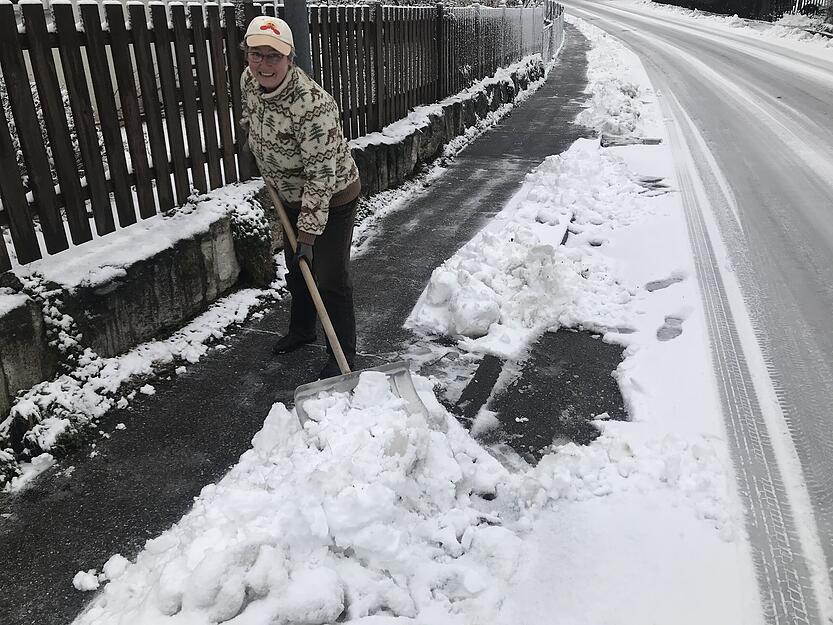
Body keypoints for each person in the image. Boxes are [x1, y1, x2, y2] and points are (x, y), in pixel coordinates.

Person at [240, 15, 361, 380]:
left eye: (272, 56)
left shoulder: (312, 106)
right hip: (289, 194)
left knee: (328, 277)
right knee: (297, 270)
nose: (263, 64)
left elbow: (321, 176)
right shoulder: (250, 80)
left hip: (332, 196)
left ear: (289, 58)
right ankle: (302, 330)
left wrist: (308, 236)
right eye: (255, 55)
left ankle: (343, 355)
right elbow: (251, 113)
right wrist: (254, 138)